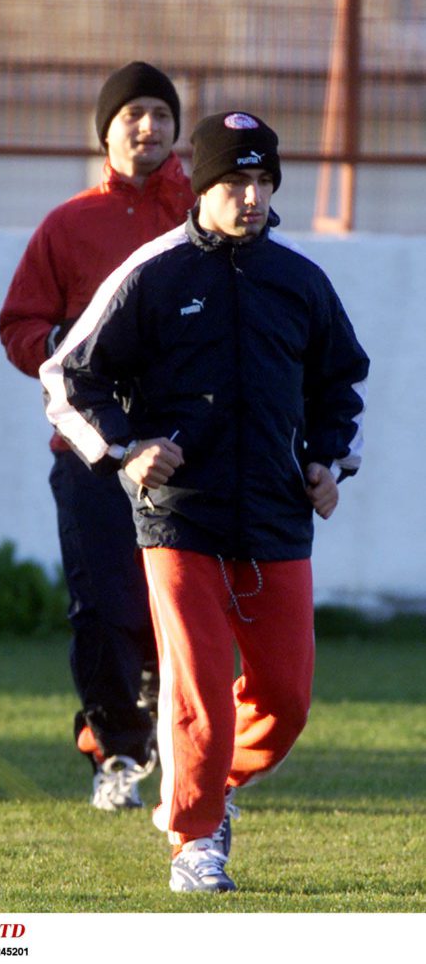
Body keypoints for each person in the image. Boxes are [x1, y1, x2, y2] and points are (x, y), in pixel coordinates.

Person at [40, 111, 369, 890]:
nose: (251, 197)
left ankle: (212, 783)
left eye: (262, 181)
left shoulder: (301, 281)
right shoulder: (151, 272)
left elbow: (339, 385)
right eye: (234, 182)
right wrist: (126, 448)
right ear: (202, 184)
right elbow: (67, 377)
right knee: (195, 691)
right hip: (179, 516)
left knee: (285, 701)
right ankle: (194, 840)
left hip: (278, 519)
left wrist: (329, 463)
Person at [0, 63, 195, 810]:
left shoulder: (205, 217)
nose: (147, 128)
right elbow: (19, 327)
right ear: (105, 130)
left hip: (188, 452)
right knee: (102, 604)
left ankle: (185, 746)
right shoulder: (68, 223)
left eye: (160, 114)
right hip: (90, 453)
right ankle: (115, 750)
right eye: (132, 115)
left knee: (182, 606)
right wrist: (69, 349)